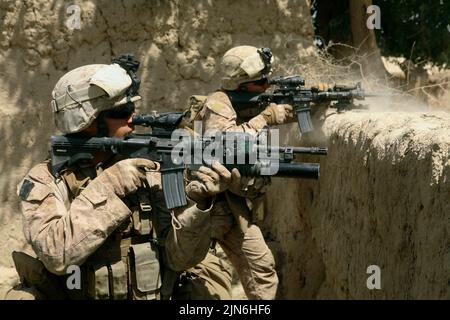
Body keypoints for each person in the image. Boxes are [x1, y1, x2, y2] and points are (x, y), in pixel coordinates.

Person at [6, 59, 237, 300]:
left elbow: (180, 259)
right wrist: (111, 184)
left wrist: (198, 207)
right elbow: (56, 254)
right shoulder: (47, 177)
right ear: (88, 121)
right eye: (123, 112)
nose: (133, 118)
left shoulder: (147, 169)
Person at [183, 45, 298, 300]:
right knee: (200, 281)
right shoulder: (218, 105)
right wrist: (265, 119)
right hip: (202, 207)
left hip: (233, 210)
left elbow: (272, 119)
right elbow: (224, 144)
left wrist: (302, 107)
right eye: (261, 82)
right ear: (242, 85)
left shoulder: (252, 104)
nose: (267, 85)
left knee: (262, 269)